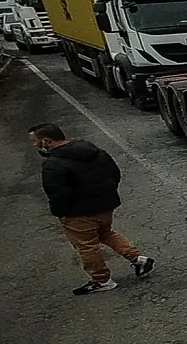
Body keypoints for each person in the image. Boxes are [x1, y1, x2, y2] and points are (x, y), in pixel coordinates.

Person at [30, 123, 154, 294]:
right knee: (105, 233)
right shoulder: (95, 152)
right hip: (105, 205)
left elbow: (57, 193)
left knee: (86, 246)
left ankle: (101, 280)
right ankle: (138, 259)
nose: (34, 144)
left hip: (78, 213)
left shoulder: (54, 164)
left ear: (46, 141)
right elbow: (114, 173)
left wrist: (62, 214)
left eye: (35, 140)